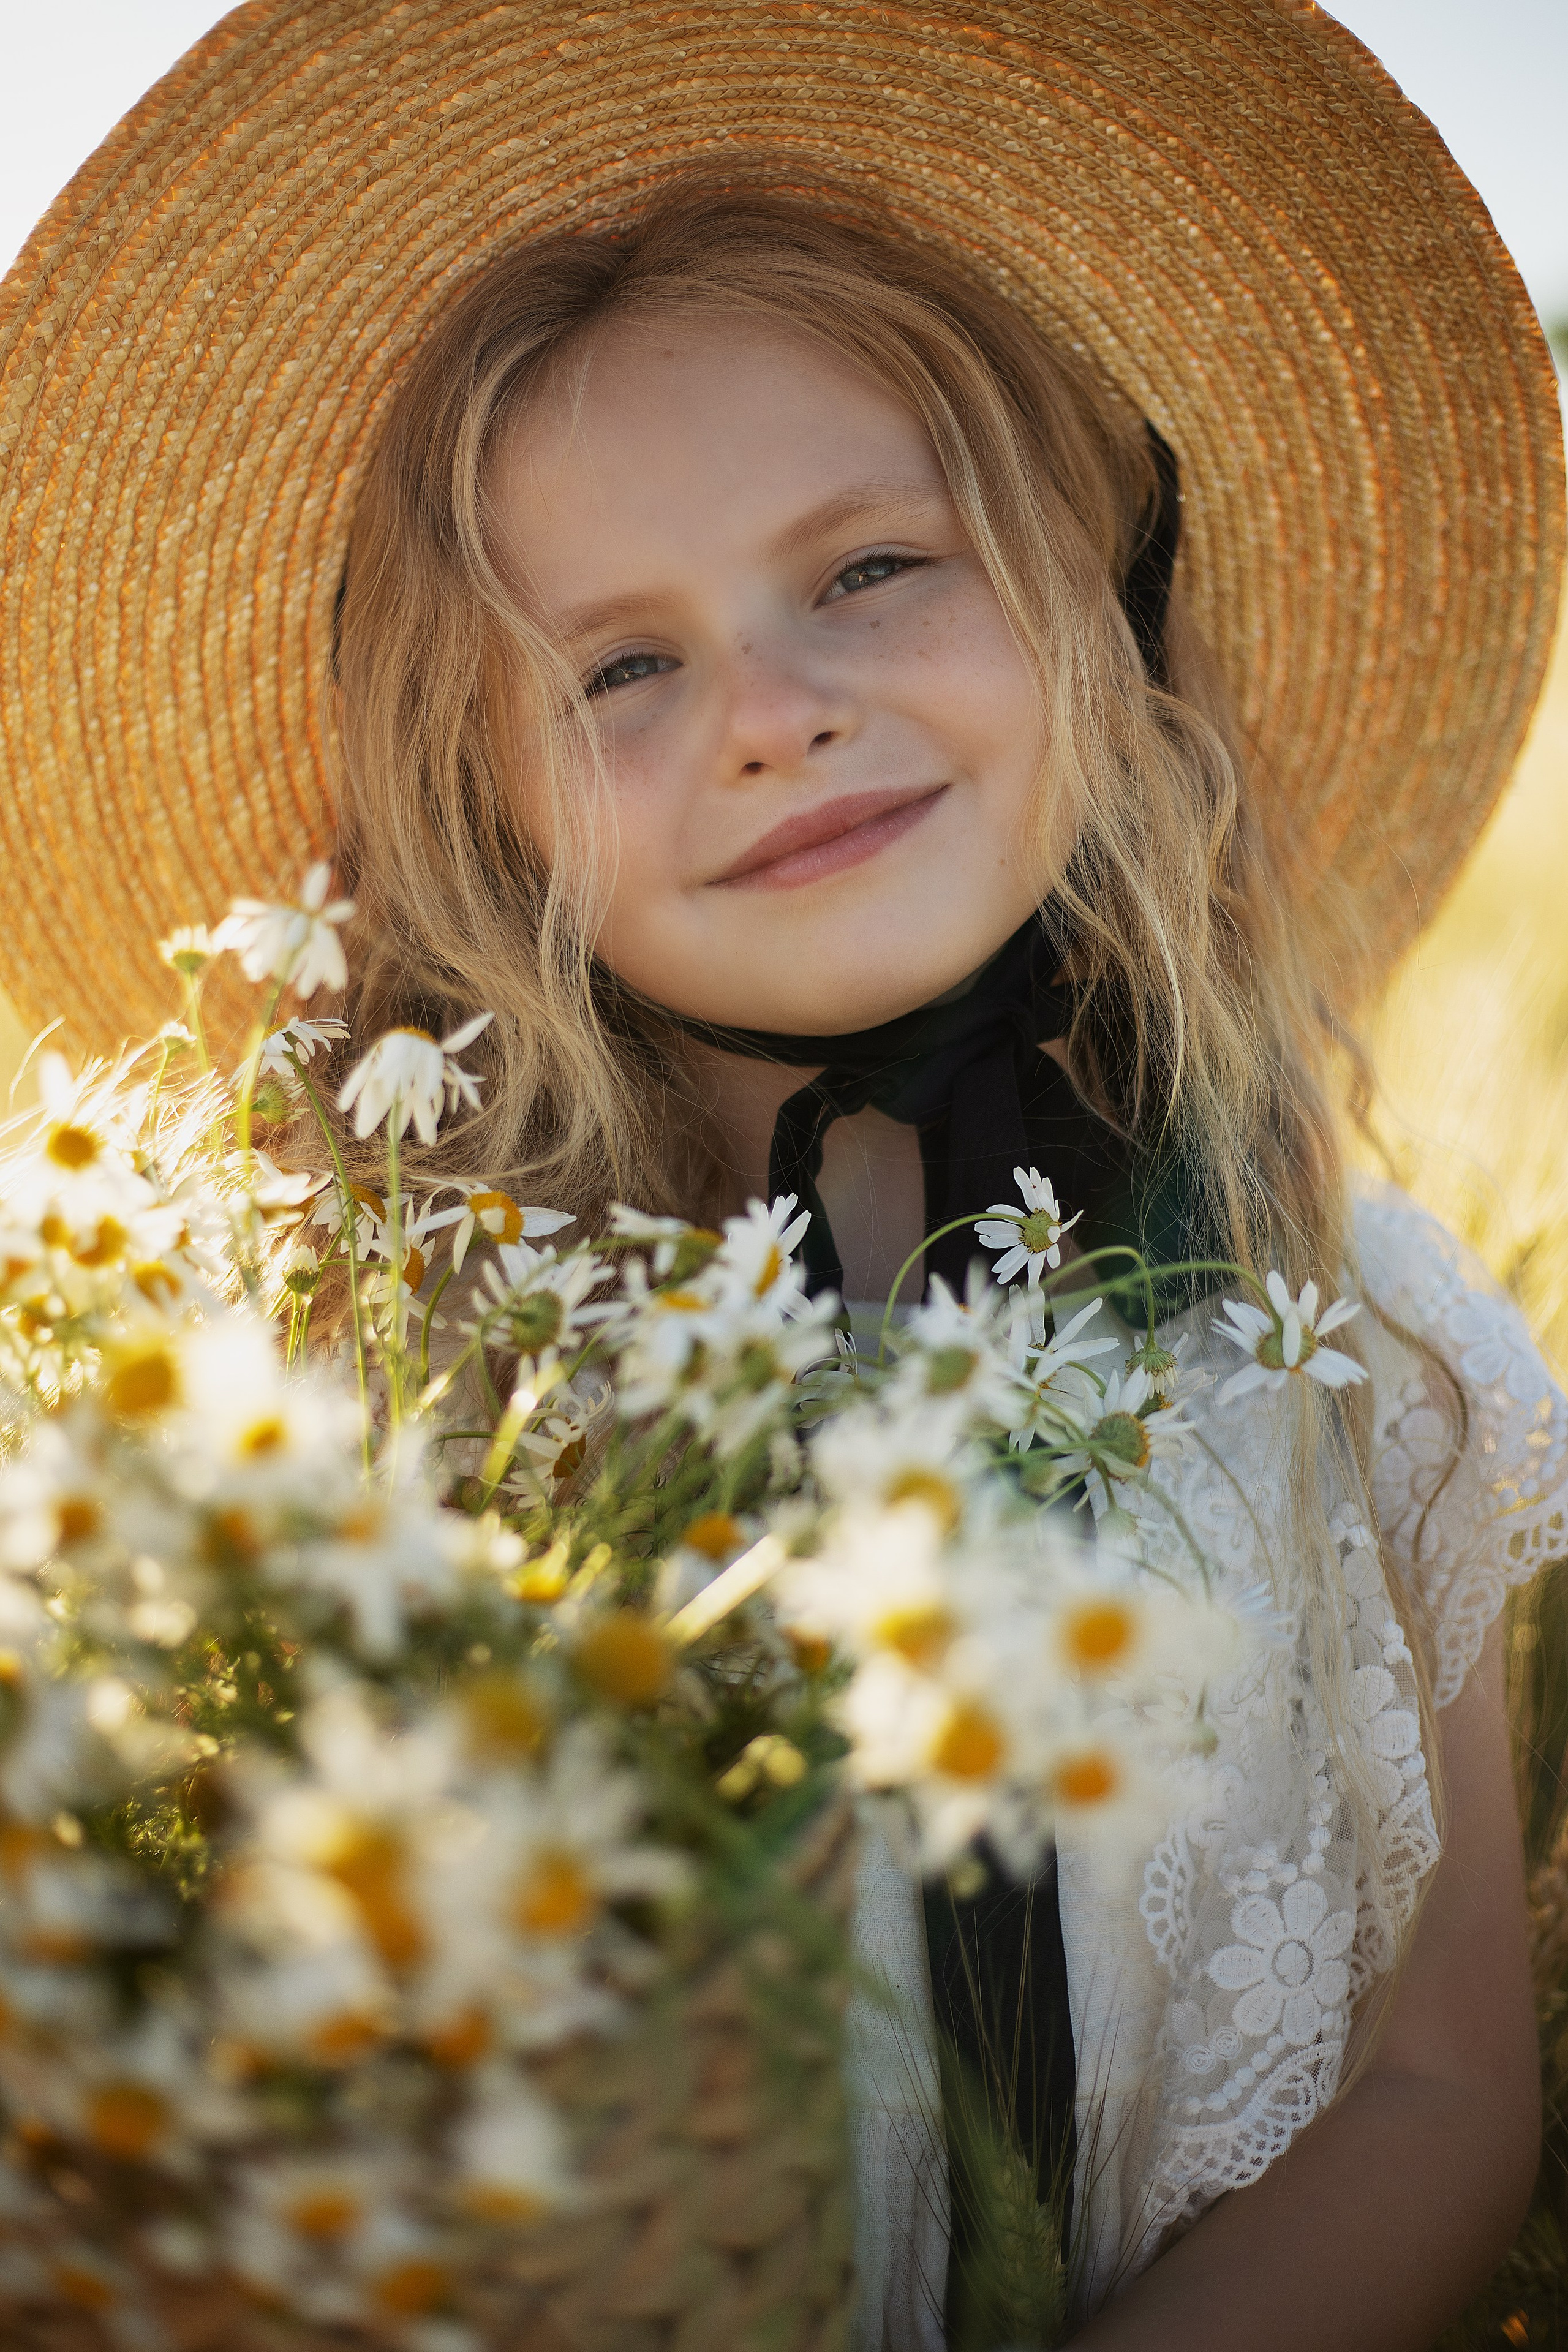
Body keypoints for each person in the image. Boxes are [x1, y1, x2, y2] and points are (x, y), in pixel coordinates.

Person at [0, 6, 1562, 2346]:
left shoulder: (1352, 1335)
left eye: (867, 572)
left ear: (1098, 616)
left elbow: (1444, 2085)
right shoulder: (399, 1395)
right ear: (478, 819)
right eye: (618, 669)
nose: (767, 707)